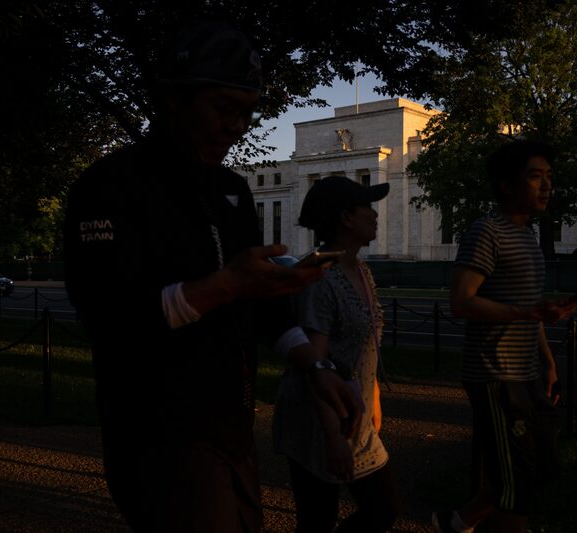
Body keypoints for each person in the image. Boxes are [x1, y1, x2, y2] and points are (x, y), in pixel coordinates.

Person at [63, 21, 361, 533]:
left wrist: (314, 366)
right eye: (223, 108)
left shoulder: (231, 189)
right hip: (158, 431)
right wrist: (225, 285)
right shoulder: (110, 186)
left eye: (247, 113)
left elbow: (259, 307)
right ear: (172, 99)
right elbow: (108, 316)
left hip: (232, 424)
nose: (237, 125)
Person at [432, 140, 577, 533]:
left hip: (527, 372)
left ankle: (457, 521)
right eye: (535, 177)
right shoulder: (486, 232)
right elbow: (461, 302)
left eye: (549, 177)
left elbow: (529, 308)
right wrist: (529, 312)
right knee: (516, 485)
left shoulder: (529, 237)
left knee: (536, 470)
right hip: (494, 374)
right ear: (505, 185)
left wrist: (548, 364)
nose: (547, 186)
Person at [273, 176, 400, 533]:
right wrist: (332, 438)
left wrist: (372, 400)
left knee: (382, 509)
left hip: (352, 412)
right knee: (320, 519)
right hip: (319, 417)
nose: (375, 215)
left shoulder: (362, 270)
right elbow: (316, 361)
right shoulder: (321, 279)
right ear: (346, 218)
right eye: (367, 208)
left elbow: (366, 347)